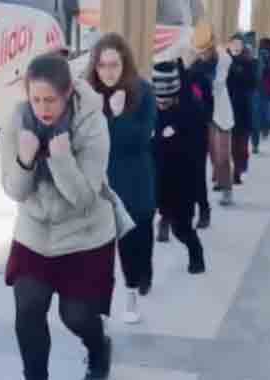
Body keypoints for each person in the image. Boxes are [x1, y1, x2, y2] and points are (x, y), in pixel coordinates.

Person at [0, 53, 115, 380]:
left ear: (67, 94)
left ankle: (98, 347)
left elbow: (86, 200)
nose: (42, 108)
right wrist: (25, 160)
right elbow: (14, 190)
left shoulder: (92, 122)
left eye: (50, 99)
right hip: (34, 234)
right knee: (28, 309)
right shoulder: (17, 120)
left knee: (76, 316)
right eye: (35, 99)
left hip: (85, 236)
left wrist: (62, 160)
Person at [85, 32, 157, 324]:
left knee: (135, 244)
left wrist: (118, 115)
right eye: (102, 65)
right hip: (102, 183)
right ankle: (101, 308)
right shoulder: (89, 96)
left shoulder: (143, 92)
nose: (108, 71)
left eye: (114, 64)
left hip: (135, 180)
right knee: (100, 252)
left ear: (124, 63)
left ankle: (134, 288)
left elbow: (141, 139)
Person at [152, 60, 208, 274]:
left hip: (183, 181)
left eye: (165, 101)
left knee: (182, 229)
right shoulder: (152, 109)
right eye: (158, 100)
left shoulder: (191, 111)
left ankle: (196, 254)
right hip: (158, 178)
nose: (161, 104)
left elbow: (197, 155)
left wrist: (196, 192)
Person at [189, 22, 236, 206]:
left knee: (223, 155)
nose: (202, 53)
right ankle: (206, 191)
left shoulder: (224, 59)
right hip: (202, 115)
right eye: (199, 50)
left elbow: (218, 84)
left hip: (221, 113)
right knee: (209, 155)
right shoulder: (195, 64)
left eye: (205, 50)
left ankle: (226, 188)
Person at [226, 33, 257, 184]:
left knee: (240, 145)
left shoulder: (249, 62)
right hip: (226, 108)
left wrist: (240, 70)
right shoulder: (224, 61)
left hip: (243, 109)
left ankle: (237, 172)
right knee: (227, 145)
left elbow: (253, 83)